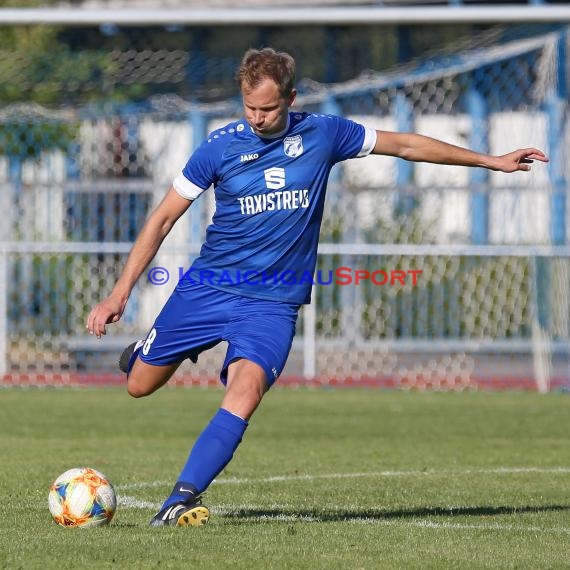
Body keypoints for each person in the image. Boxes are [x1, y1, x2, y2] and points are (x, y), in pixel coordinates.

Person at [86, 47, 548, 527]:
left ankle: (180, 499)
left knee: (247, 391)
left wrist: (491, 161)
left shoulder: (324, 134)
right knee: (139, 386)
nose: (257, 118)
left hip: (273, 304)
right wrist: (120, 293)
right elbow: (162, 219)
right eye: (249, 107)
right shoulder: (219, 147)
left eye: (267, 108)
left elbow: (407, 145)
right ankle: (147, 351)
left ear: (291, 98)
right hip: (208, 287)